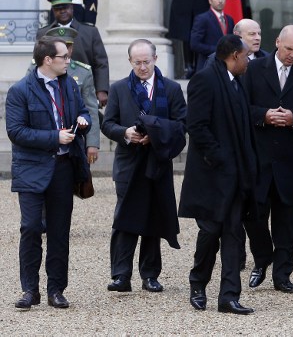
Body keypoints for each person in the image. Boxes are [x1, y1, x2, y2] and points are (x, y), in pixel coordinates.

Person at [7, 37, 91, 310]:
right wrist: (54, 137)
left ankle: (56, 289)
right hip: (31, 168)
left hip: (64, 169)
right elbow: (16, 132)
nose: (68, 61)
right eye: (64, 57)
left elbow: (83, 111)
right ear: (47, 60)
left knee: (59, 231)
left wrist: (83, 121)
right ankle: (29, 290)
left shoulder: (70, 85)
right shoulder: (20, 90)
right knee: (31, 228)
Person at [178, 35, 258, 314]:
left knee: (234, 234)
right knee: (211, 232)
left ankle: (228, 296)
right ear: (234, 55)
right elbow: (197, 126)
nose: (249, 61)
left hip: (236, 176)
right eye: (246, 56)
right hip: (213, 176)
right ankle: (198, 282)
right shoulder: (204, 80)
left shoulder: (238, 82)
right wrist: (221, 159)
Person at [101, 39, 187, 294]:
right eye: (137, 62)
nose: (142, 67)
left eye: (146, 62)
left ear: (155, 59)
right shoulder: (118, 89)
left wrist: (158, 134)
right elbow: (108, 124)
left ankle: (150, 275)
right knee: (125, 218)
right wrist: (126, 132)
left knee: (153, 218)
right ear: (130, 62)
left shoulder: (170, 89)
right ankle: (120, 275)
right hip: (129, 163)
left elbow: (182, 124)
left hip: (157, 162)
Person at [243, 25, 293, 293]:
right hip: (259, 158)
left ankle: (282, 274)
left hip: (290, 159)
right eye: (288, 49)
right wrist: (264, 116)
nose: (292, 55)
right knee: (254, 217)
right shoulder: (253, 70)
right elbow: (242, 107)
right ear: (277, 42)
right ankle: (263, 259)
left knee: (286, 222)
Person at [30, 27, 101, 165]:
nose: (65, 50)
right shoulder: (36, 69)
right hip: (42, 144)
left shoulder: (83, 72)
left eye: (68, 46)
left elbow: (90, 109)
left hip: (71, 143)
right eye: (61, 45)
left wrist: (92, 143)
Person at [38, 0, 110, 107]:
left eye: (65, 7)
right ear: (53, 10)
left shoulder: (90, 32)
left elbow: (101, 62)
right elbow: (38, 62)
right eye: (58, 8)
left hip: (83, 88)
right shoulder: (44, 33)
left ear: (72, 8)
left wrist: (102, 90)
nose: (62, 11)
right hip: (52, 89)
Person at [190, 0, 235, 74]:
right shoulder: (202, 18)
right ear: (210, 0)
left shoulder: (230, 19)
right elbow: (194, 44)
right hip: (208, 67)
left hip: (227, 68)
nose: (220, 0)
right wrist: (218, 50)